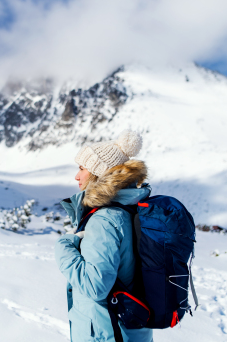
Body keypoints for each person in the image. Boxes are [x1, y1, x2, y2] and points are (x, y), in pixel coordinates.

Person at [55, 130, 153, 342]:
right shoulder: (131, 208)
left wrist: (63, 245)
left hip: (107, 333)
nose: (77, 176)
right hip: (131, 330)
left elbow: (94, 286)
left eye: (82, 168)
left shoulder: (105, 220)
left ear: (99, 174)